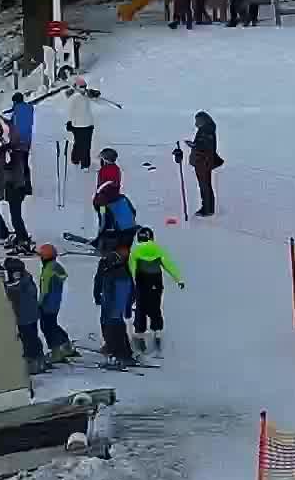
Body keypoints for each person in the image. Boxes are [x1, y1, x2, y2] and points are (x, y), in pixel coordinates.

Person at [128, 226, 185, 357]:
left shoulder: (136, 251)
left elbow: (132, 268)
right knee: (155, 307)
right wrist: (179, 279)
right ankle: (157, 332)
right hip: (156, 283)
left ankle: (140, 335)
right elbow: (169, 265)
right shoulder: (159, 250)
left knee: (141, 309)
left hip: (142, 283)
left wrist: (133, 284)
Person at [93, 250, 138, 367]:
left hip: (113, 307)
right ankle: (123, 353)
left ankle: (119, 355)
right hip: (114, 306)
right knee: (116, 328)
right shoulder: (119, 272)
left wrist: (119, 307)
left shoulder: (114, 274)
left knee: (114, 329)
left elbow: (117, 293)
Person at [3, 257, 47, 374]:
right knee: (33, 338)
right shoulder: (27, 279)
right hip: (31, 315)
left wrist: (4, 286)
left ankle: (33, 363)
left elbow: (13, 290)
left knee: (28, 340)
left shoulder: (20, 284)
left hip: (25, 317)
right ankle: (39, 360)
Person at [37, 243, 74, 362]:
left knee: (47, 328)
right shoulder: (57, 267)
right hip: (55, 303)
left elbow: (44, 291)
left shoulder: (48, 271)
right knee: (53, 325)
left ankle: (56, 352)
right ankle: (66, 344)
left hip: (47, 304)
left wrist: (39, 304)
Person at [187, 112, 221, 217]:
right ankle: (206, 207)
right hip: (202, 162)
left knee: (205, 186)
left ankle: (208, 209)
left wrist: (194, 145)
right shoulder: (205, 130)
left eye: (197, 120)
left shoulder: (207, 130)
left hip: (204, 163)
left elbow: (205, 147)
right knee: (204, 186)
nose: (196, 123)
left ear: (203, 120)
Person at [0, 143, 33, 249]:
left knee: (16, 217)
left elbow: (11, 174)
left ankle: (22, 239)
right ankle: (22, 237)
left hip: (15, 190)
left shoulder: (13, 157)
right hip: (16, 189)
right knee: (15, 217)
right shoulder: (16, 155)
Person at [66, 78, 98, 169]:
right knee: (85, 145)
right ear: (76, 87)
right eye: (82, 87)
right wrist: (70, 122)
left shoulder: (84, 95)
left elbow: (95, 97)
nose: (84, 88)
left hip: (86, 124)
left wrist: (93, 93)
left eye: (85, 86)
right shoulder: (76, 97)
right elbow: (70, 111)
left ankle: (76, 159)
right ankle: (84, 163)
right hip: (79, 125)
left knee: (80, 143)